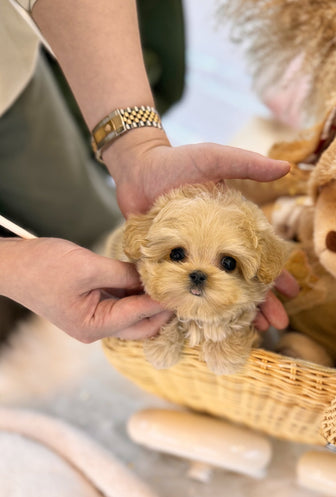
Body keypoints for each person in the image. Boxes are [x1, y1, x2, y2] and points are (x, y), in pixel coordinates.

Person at [0, 0, 298, 344]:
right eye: (177, 255)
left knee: (89, 227)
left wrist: (136, 149)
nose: (200, 273)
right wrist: (14, 271)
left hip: (7, 89)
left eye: (227, 263)